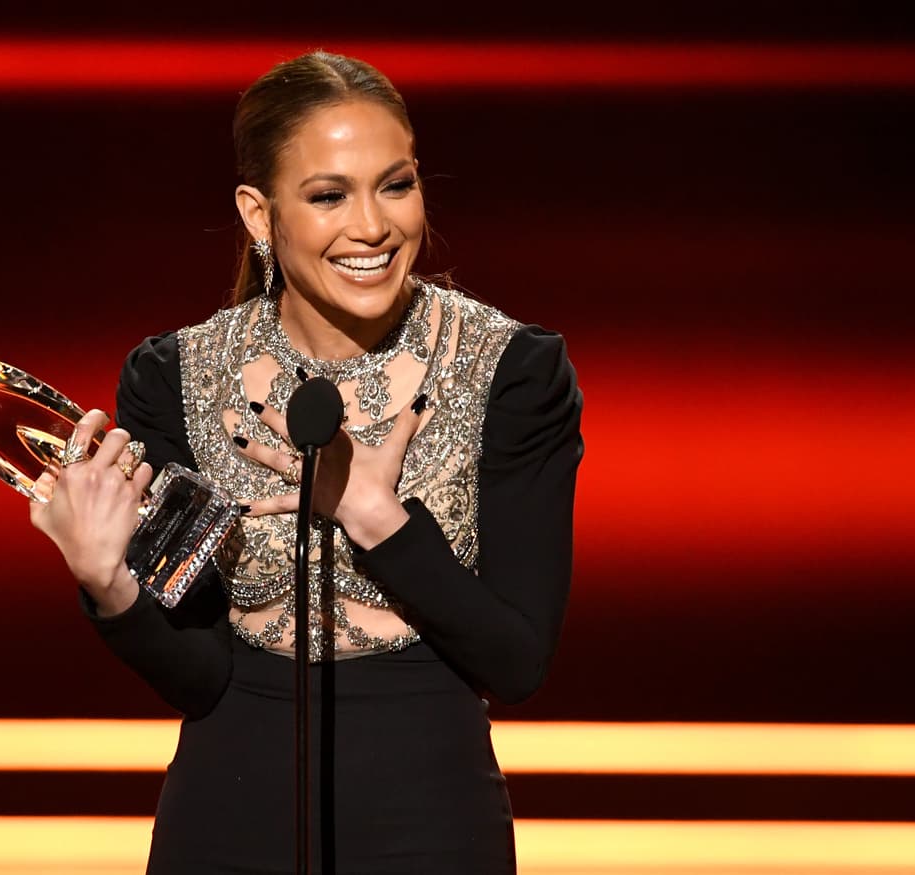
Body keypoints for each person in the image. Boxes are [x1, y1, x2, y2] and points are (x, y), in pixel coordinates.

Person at [29, 50, 583, 874]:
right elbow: (199, 672)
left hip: (431, 817)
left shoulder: (514, 371)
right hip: (229, 810)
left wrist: (377, 517)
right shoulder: (174, 378)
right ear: (259, 214)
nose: (373, 226)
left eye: (396, 185)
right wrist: (109, 584)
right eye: (328, 195)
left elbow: (518, 660)